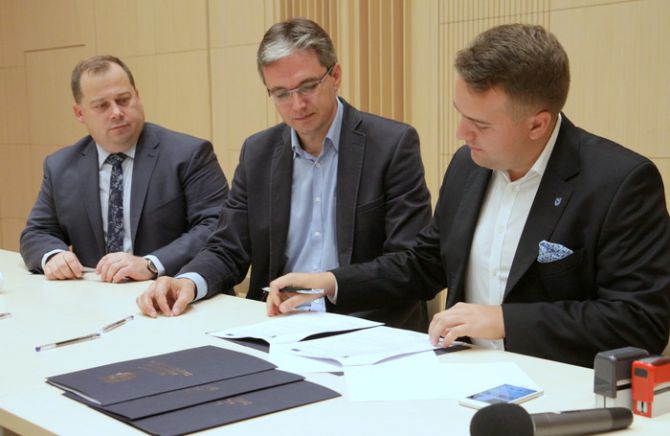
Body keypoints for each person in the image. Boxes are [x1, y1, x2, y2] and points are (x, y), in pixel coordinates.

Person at [267, 24, 670, 368]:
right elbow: (425, 263)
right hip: (460, 372)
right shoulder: (469, 165)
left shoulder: (620, 182)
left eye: (480, 123)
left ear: (538, 125)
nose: (461, 133)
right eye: (460, 113)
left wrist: (505, 321)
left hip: (560, 387)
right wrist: (331, 282)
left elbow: (640, 320)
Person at [136, 18, 432, 330]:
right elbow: (228, 247)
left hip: (365, 325)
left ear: (335, 76)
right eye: (281, 93)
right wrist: (188, 282)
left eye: (308, 86)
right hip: (277, 324)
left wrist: (330, 284)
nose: (297, 104)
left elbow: (409, 263)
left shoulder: (391, 145)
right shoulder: (258, 153)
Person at [20, 55, 229, 283]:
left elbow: (216, 226)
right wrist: (53, 256)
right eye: (102, 106)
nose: (116, 112)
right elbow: (37, 232)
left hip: (173, 291)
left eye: (123, 100)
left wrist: (151, 263)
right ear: (79, 113)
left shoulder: (189, 154)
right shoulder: (61, 166)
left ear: (137, 97)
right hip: (96, 295)